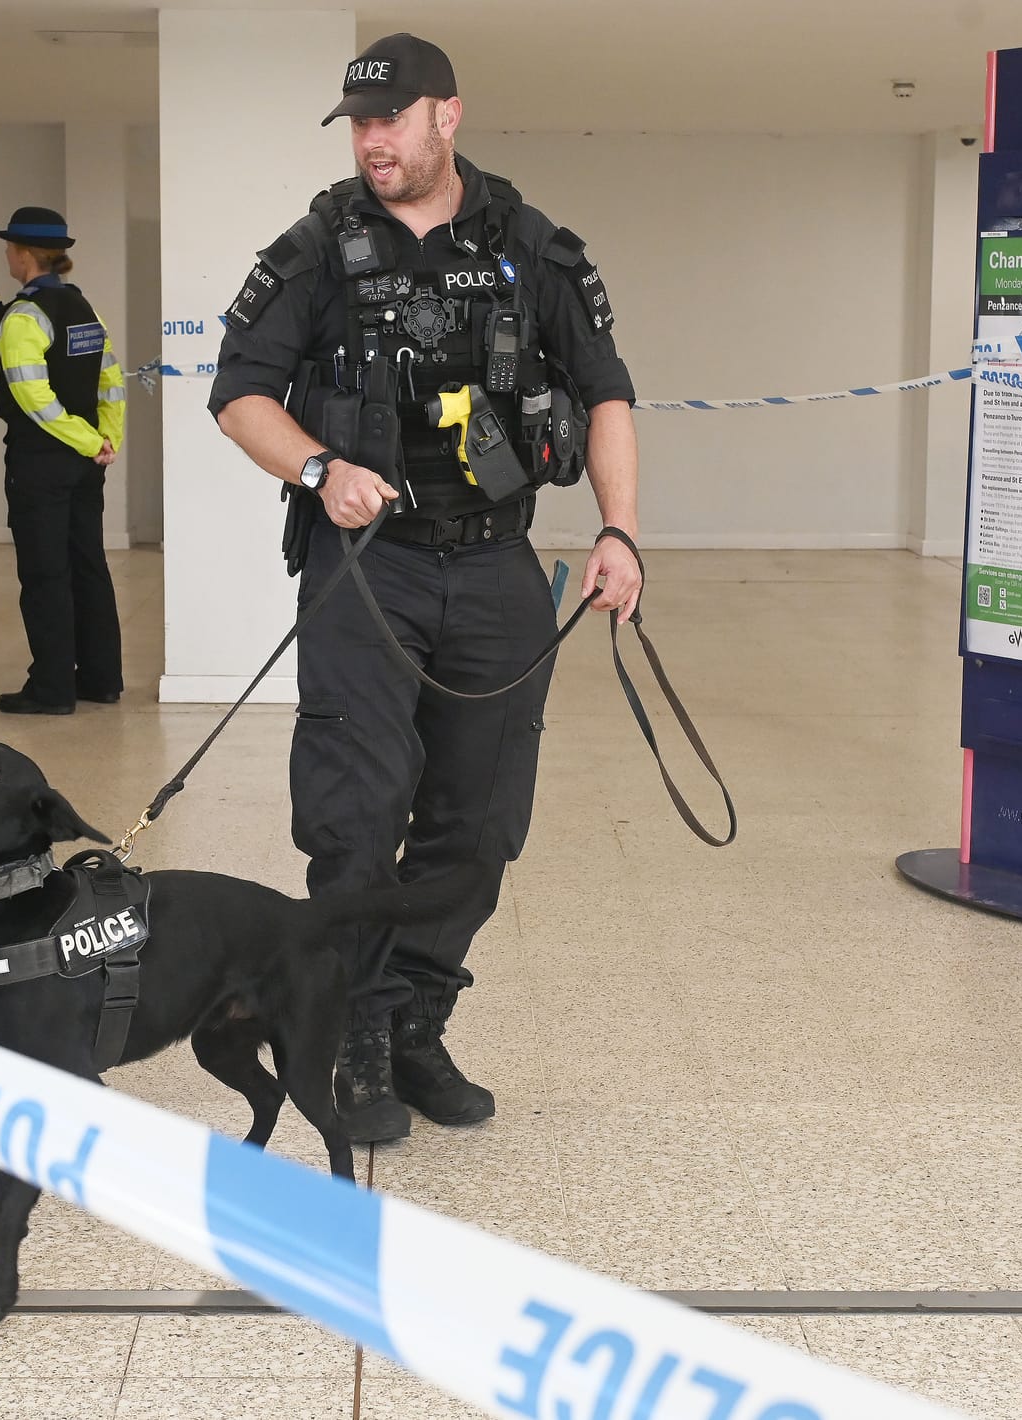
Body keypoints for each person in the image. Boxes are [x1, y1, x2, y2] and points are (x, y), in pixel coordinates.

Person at [208, 34, 643, 1143]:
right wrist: (318, 467)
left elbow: (604, 393)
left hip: (497, 569)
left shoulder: (530, 247)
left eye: (389, 120)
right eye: (359, 123)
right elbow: (239, 396)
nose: (371, 141)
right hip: (367, 571)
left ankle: (414, 1019)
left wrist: (619, 532)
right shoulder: (316, 249)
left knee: (481, 820)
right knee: (354, 816)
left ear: (446, 116)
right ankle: (352, 1032)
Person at [0, 207, 126, 715]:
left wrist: (86, 441)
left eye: (10, 248)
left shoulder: (23, 316)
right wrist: (105, 439)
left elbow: (33, 396)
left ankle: (51, 689)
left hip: (42, 461)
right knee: (89, 565)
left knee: (45, 573)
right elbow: (111, 380)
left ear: (25, 254)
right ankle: (101, 679)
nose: (8, 256)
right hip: (88, 463)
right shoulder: (84, 307)